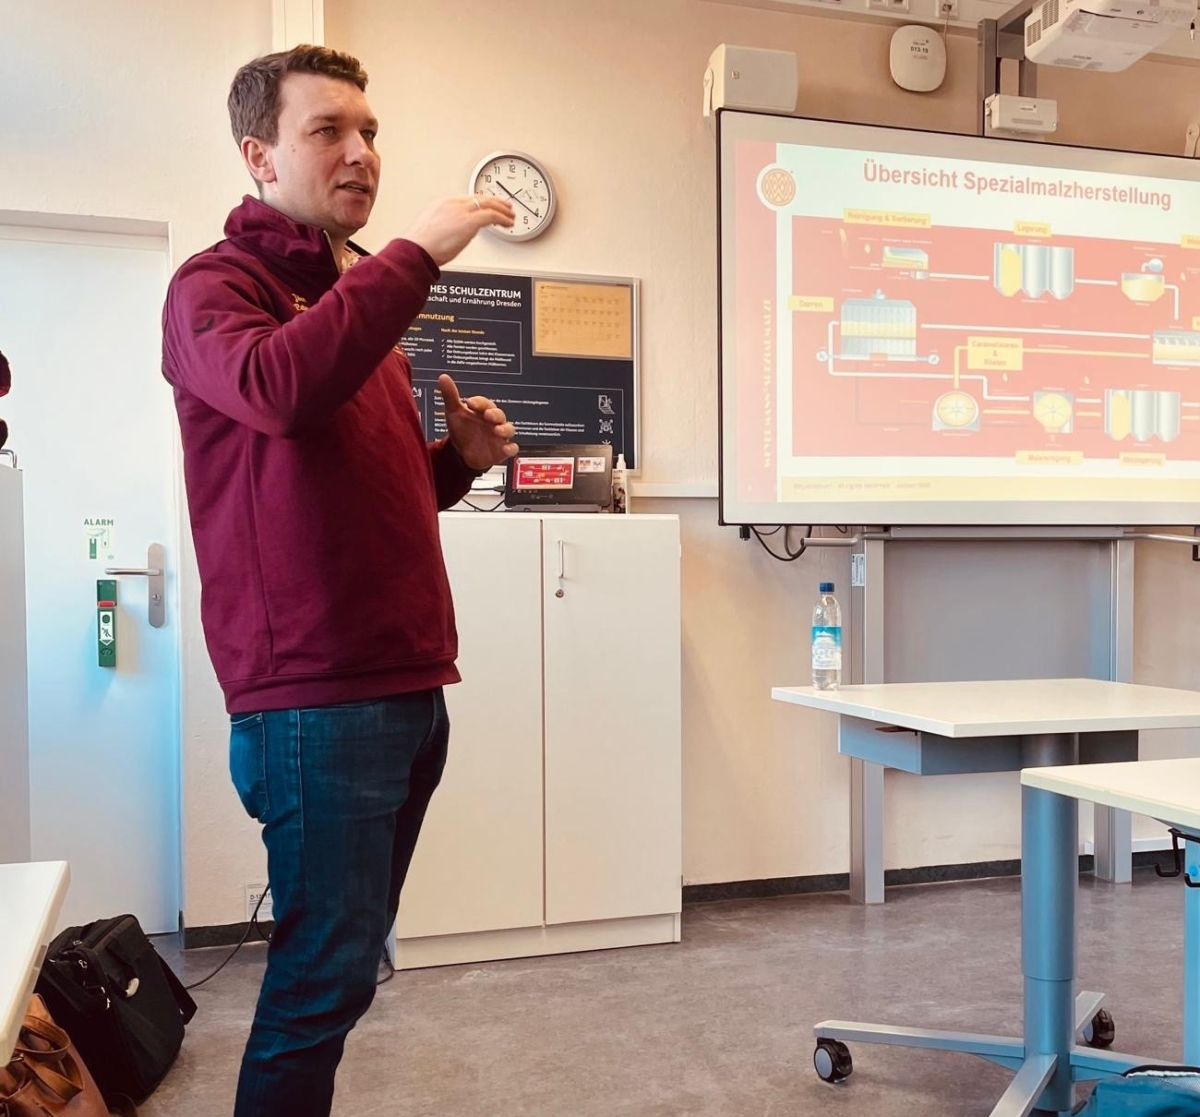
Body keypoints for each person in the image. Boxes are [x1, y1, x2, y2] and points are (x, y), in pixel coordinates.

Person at [160, 44, 517, 1117]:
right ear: (259, 156)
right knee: (320, 981)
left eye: (370, 132)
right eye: (329, 131)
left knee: (346, 970)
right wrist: (412, 256)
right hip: (315, 699)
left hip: (405, 682)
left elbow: (365, 496)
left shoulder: (355, 307)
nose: (362, 152)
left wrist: (457, 462)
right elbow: (276, 391)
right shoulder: (216, 288)